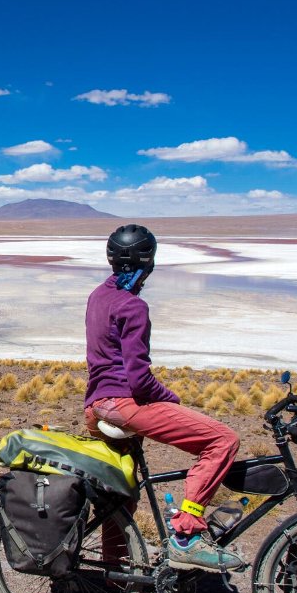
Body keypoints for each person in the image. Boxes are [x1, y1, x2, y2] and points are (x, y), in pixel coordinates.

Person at [84, 224, 245, 573]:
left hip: (95, 407)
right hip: (124, 405)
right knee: (221, 440)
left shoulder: (98, 295)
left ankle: (117, 576)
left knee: (121, 494)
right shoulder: (132, 306)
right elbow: (140, 381)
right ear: (149, 261)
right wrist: (171, 398)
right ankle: (187, 536)